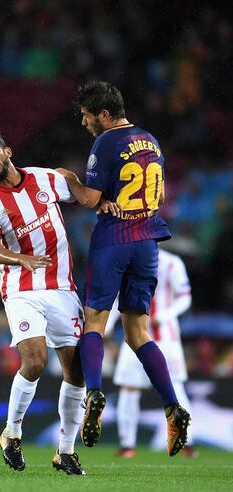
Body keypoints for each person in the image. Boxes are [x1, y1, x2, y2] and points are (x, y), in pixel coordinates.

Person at [56, 81, 191, 456]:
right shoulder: (151, 140)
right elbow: (160, 195)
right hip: (148, 242)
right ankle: (172, 405)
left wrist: (70, 179)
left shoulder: (106, 142)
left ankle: (95, 393)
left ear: (103, 114)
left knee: (95, 322)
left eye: (86, 117)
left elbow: (91, 198)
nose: (84, 124)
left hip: (114, 239)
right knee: (139, 333)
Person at [0, 129, 86, 475]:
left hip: (62, 287)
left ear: (7, 150)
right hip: (21, 288)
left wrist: (89, 188)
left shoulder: (45, 178)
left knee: (76, 372)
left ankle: (65, 451)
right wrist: (21, 259)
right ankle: (13, 433)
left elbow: (78, 190)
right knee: (34, 360)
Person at [107, 247, 196, 457]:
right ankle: (127, 445)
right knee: (129, 389)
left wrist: (163, 315)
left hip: (166, 337)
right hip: (133, 337)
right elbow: (117, 297)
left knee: (175, 387)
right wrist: (108, 325)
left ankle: (187, 442)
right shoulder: (126, 261)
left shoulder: (172, 262)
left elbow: (185, 298)